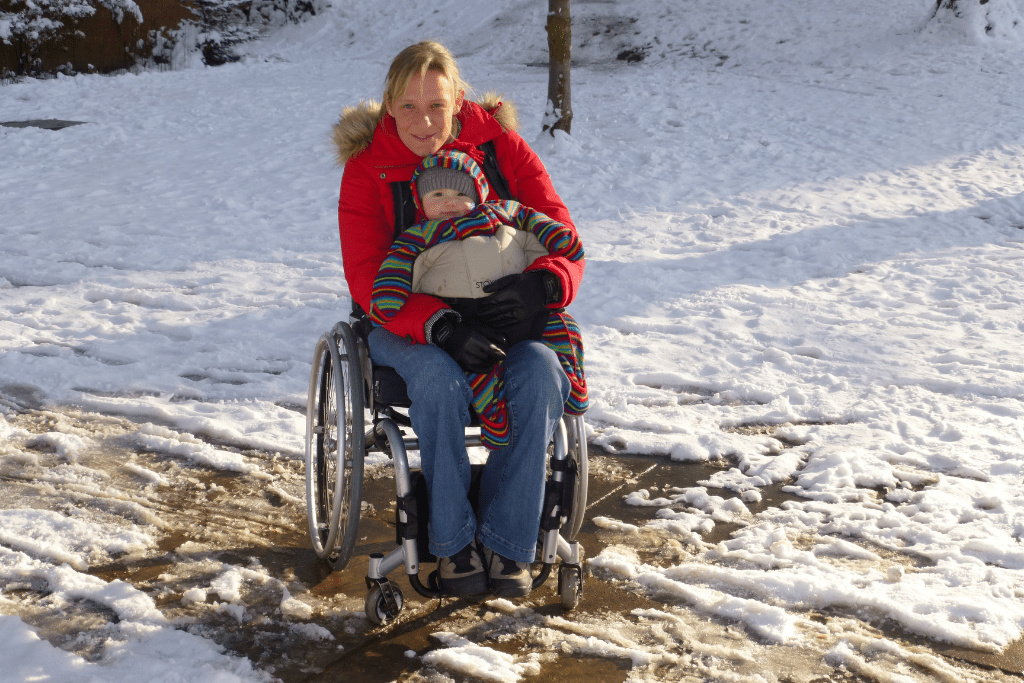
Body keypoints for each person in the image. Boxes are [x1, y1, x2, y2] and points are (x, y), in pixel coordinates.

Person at [332, 41, 585, 599]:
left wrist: (543, 284)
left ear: (459, 101)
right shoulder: (367, 169)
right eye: (408, 107)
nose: (424, 122)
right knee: (438, 381)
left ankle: (507, 545)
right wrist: (440, 325)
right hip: (403, 324)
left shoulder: (502, 148)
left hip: (505, 322)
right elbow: (368, 276)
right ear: (388, 105)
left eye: (437, 106)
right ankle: (451, 546)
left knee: (541, 373)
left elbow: (559, 230)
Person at [368, 149, 588, 452]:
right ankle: (495, 420)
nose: (450, 202)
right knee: (480, 368)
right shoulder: (419, 236)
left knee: (564, 329)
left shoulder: (501, 213)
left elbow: (531, 219)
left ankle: (574, 388)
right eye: (437, 194)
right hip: (467, 318)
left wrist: (556, 244)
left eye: (461, 193)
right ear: (420, 202)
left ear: (479, 194)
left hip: (520, 309)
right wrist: (387, 298)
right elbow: (397, 265)